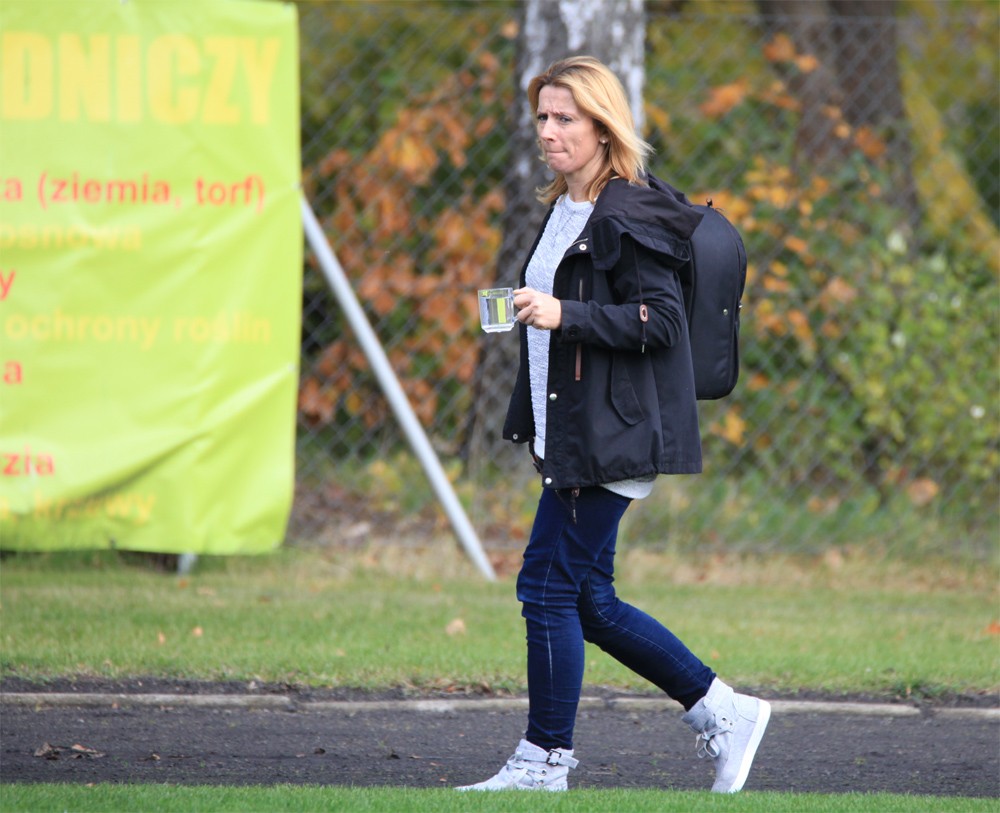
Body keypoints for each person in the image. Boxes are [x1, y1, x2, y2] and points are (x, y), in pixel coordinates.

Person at [456, 56, 770, 794]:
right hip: (571, 430)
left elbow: (660, 322)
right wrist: (537, 306)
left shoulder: (627, 212)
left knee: (546, 588)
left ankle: (543, 761)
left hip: (611, 434)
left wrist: (565, 313)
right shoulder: (566, 206)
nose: (549, 131)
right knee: (589, 600)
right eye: (542, 117)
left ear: (603, 127)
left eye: (566, 118)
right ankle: (724, 711)